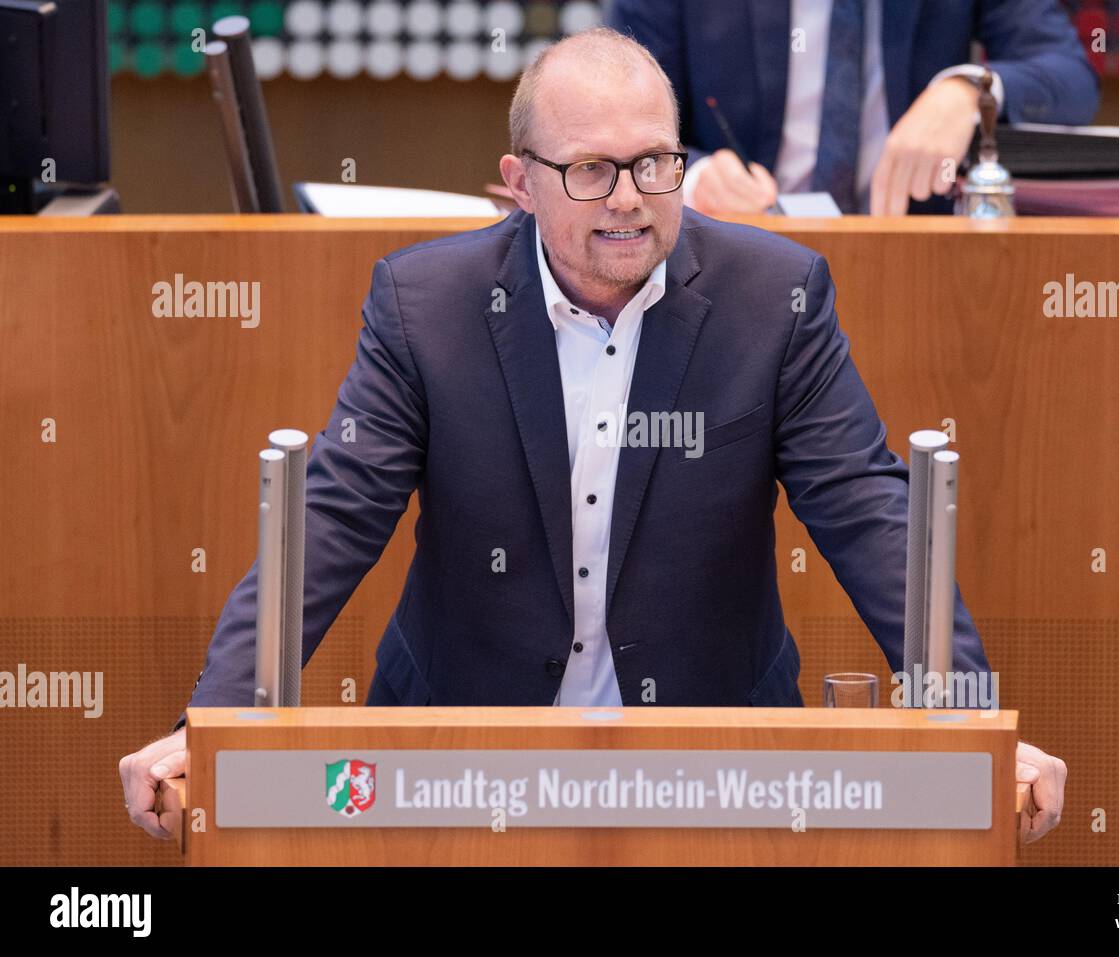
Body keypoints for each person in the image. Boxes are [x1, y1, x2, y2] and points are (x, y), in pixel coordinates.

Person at [119, 26, 1066, 843]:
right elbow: (328, 521)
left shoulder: (774, 299)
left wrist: (973, 727)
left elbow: (874, 518)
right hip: (460, 752)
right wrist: (216, 724)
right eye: (590, 170)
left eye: (655, 163)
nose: (628, 197)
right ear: (520, 183)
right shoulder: (427, 305)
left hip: (712, 755)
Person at [609, 0, 1100, 215]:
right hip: (736, 259)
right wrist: (694, 177)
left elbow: (1071, 78)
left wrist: (970, 89)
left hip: (915, 258)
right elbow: (613, 107)